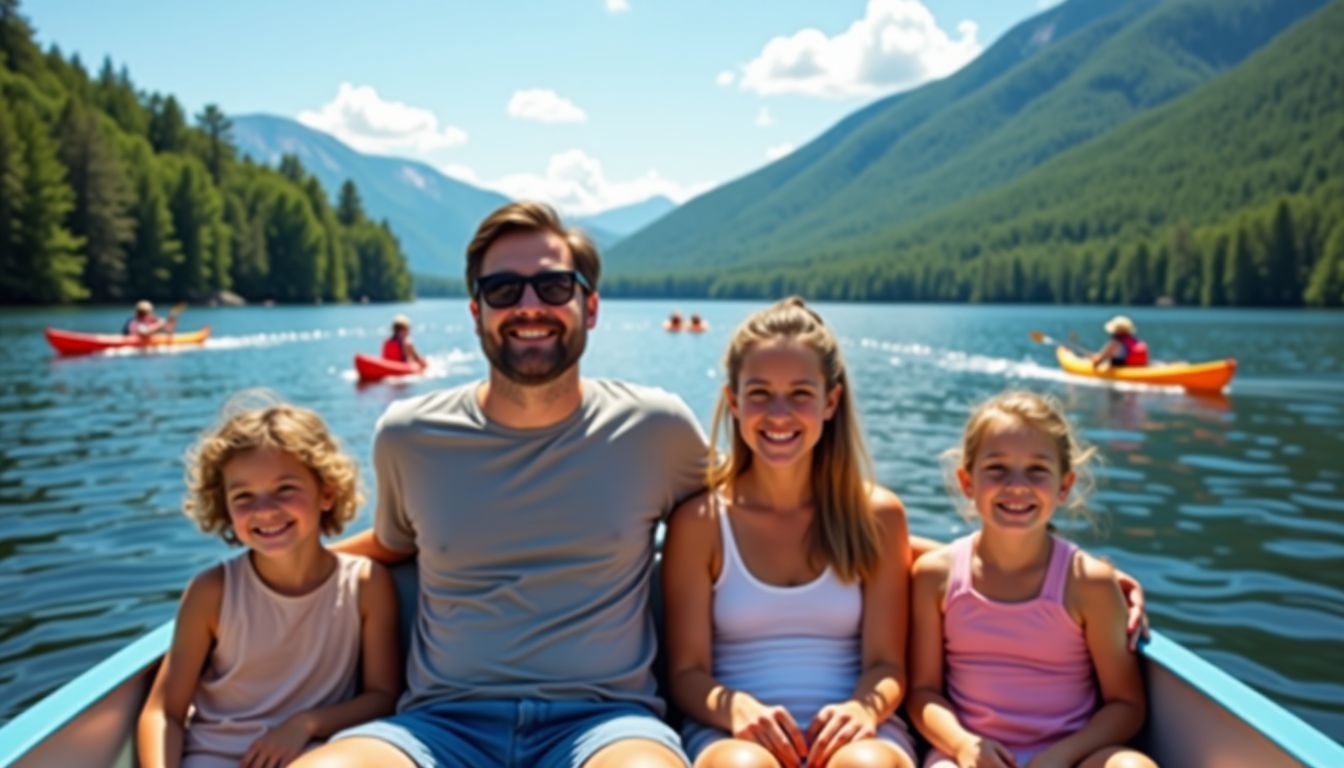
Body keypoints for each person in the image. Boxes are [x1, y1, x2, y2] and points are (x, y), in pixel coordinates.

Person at [295, 201, 708, 768]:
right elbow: (394, 545)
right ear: (476, 311)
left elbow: (740, 514)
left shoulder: (657, 428)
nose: (530, 306)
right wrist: (266, 570)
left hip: (608, 725)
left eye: (554, 286)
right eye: (504, 290)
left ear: (590, 305)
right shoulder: (408, 436)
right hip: (437, 726)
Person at [664, 297, 920, 768]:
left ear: (831, 402)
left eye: (800, 393)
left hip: (860, 728)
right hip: (731, 731)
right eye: (759, 393)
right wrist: (735, 707)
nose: (779, 413)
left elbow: (886, 665)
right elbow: (686, 672)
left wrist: (862, 709)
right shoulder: (701, 523)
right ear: (734, 402)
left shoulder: (877, 516)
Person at [137, 394, 401, 768]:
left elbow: (383, 696)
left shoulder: (365, 585)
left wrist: (306, 724)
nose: (264, 510)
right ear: (224, 506)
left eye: (285, 489)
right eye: (243, 496)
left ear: (326, 493)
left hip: (306, 754)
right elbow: (164, 712)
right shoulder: (212, 591)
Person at [908, 391, 1155, 768]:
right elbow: (922, 692)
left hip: (1071, 757)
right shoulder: (935, 578)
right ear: (966, 482)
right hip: (969, 757)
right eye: (997, 469)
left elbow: (1127, 705)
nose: (1017, 485)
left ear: (1065, 486)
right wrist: (962, 744)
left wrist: (1060, 757)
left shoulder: (1089, 584)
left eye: (1037, 470)